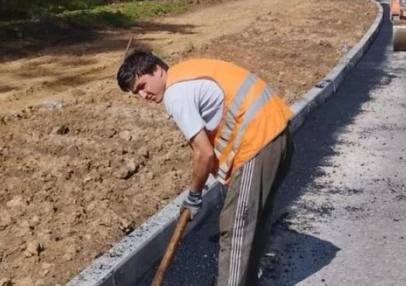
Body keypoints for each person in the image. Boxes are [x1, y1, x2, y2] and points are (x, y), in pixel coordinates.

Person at [116, 49, 294, 286]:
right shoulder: (185, 73)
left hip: (257, 141)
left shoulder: (176, 94)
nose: (142, 95)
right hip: (277, 132)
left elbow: (203, 153)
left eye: (142, 85)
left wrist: (194, 194)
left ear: (157, 70)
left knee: (236, 226)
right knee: (255, 220)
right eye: (135, 92)